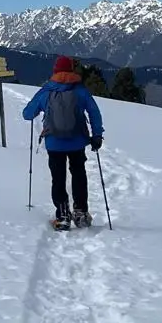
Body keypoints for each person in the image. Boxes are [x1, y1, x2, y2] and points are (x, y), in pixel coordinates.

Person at [21, 56, 104, 228]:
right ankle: (81, 213)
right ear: (72, 70)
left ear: (55, 71)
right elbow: (94, 113)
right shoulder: (80, 90)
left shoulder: (47, 90)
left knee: (58, 178)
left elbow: (27, 114)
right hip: (78, 141)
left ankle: (63, 216)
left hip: (54, 143)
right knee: (79, 174)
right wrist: (97, 135)